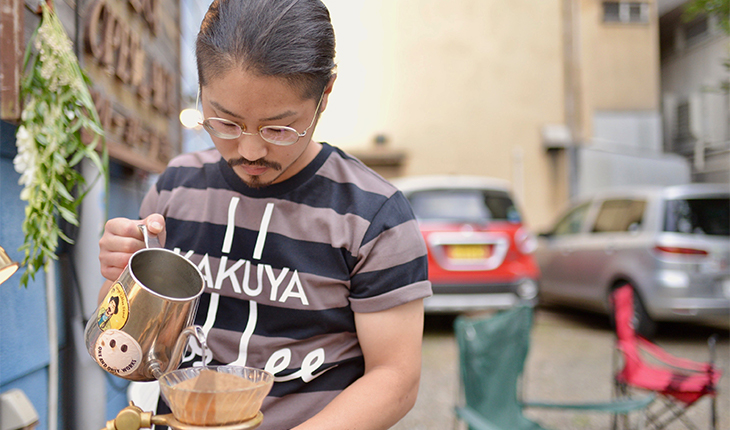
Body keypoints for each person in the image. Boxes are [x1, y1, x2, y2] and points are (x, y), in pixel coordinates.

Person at [97, 0, 432, 429]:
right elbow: (125, 350)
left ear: (324, 94)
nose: (251, 150)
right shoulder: (174, 188)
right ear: (200, 91)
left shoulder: (372, 216)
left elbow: (396, 378)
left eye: (278, 128)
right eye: (225, 122)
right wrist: (120, 278)